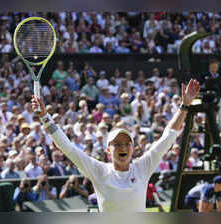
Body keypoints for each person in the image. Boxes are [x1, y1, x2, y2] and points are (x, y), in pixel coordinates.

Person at [32, 79, 200, 212]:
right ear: (108, 150)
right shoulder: (99, 170)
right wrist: (45, 117)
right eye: (117, 144)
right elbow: (67, 147)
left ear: (133, 148)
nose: (123, 147)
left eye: (127, 143)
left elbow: (168, 137)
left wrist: (184, 106)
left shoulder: (143, 167)